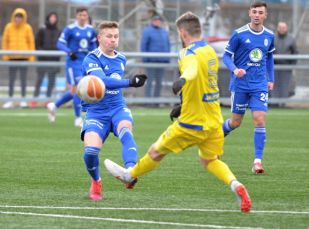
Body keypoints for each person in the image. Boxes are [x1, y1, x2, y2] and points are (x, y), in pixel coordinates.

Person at [104, 12, 252, 213]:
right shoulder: (209, 51)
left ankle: (130, 176)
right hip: (214, 120)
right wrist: (183, 103)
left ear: (182, 33)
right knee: (210, 160)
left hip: (192, 123)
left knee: (155, 151)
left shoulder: (187, 53)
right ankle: (236, 185)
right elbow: (202, 83)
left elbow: (191, 70)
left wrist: (182, 80)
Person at [81, 21, 147, 201]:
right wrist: (130, 82)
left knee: (126, 132)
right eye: (109, 36)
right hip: (96, 112)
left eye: (116, 36)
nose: (113, 40)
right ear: (99, 38)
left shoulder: (121, 58)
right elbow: (103, 81)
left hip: (118, 107)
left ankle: (130, 173)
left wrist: (128, 82)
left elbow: (113, 84)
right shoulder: (91, 59)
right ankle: (96, 182)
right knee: (91, 152)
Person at [221, 1, 275, 174]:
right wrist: (235, 69)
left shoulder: (269, 35)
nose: (257, 15)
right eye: (255, 12)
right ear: (249, 13)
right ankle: (213, 142)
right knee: (235, 122)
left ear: (265, 15)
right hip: (241, 85)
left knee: (259, 119)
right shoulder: (239, 34)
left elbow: (269, 58)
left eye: (261, 12)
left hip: (259, 85)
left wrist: (270, 78)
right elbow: (226, 57)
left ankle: (257, 162)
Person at [47, 7, 97, 127]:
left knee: (75, 91)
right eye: (80, 15)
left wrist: (95, 55)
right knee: (78, 89)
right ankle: (77, 118)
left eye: (84, 15)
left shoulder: (91, 30)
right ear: (76, 16)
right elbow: (59, 43)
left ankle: (54, 105)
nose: (82, 17)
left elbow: (94, 45)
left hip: (85, 63)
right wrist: (69, 52)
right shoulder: (70, 29)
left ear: (87, 16)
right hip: (73, 63)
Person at [2, 8, 35, 108]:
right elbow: (5, 41)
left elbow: (31, 42)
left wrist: (31, 56)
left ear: (23, 18)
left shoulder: (27, 28)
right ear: (14, 17)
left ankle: (23, 100)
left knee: (23, 80)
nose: (18, 19)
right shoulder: (8, 27)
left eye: (20, 17)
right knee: (11, 80)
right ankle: (10, 100)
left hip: (24, 58)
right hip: (12, 58)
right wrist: (6, 55)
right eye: (17, 16)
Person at [140, 14, 170, 98]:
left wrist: (167, 58)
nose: (157, 22)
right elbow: (143, 45)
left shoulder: (164, 31)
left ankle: (156, 101)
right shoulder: (147, 31)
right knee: (149, 81)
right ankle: (148, 101)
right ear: (152, 21)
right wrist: (145, 60)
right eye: (156, 20)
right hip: (151, 61)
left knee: (159, 82)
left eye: (159, 20)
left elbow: (168, 45)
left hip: (162, 61)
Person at [33, 12, 61, 100]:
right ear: (48, 18)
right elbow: (37, 43)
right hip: (42, 59)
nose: (52, 19)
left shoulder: (59, 31)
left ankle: (48, 99)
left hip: (54, 60)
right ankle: (34, 99)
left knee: (51, 80)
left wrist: (57, 54)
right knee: (39, 79)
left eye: (54, 17)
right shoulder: (42, 30)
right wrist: (41, 53)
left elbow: (61, 44)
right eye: (51, 17)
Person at [273, 21, 298, 99]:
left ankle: (284, 102)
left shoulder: (291, 39)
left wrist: (292, 66)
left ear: (286, 28)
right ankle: (274, 102)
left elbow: (295, 52)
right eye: (280, 27)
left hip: (286, 67)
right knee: (274, 84)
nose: (281, 29)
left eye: (283, 27)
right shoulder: (272, 38)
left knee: (286, 85)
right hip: (274, 67)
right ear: (277, 28)